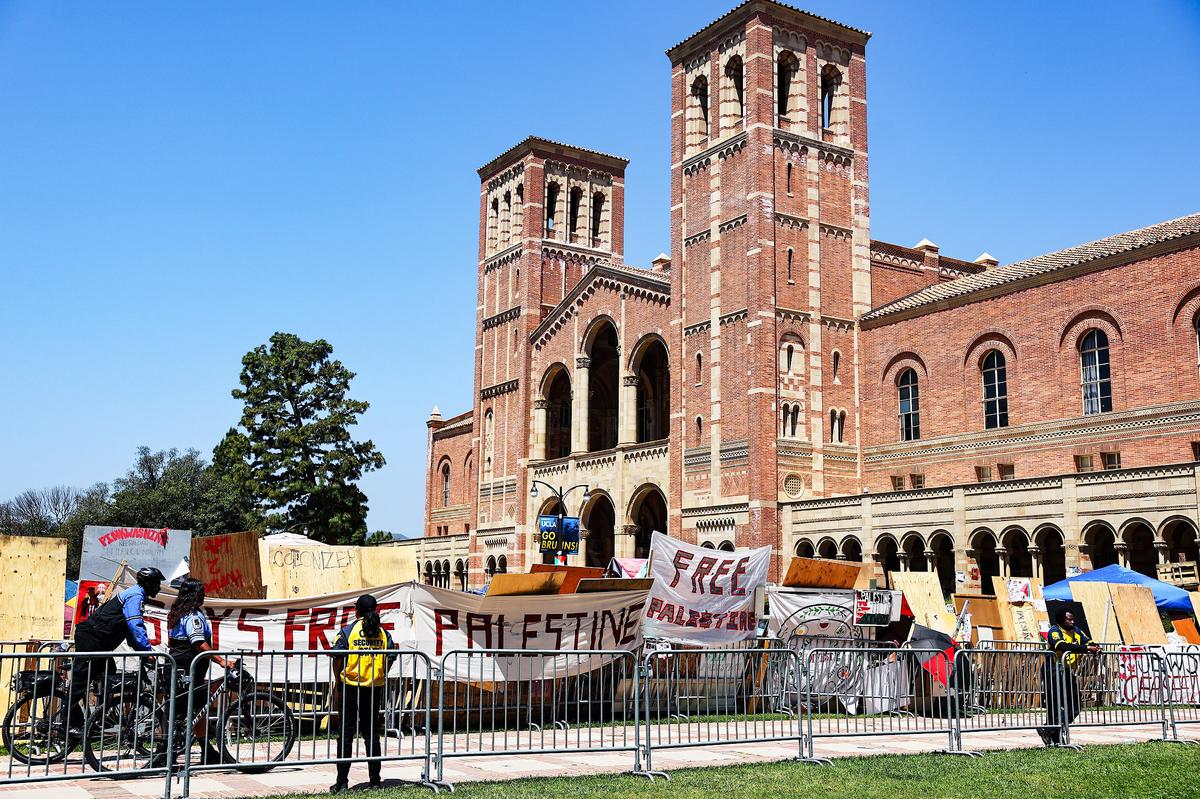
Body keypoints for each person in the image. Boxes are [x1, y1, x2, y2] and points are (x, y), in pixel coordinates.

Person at [59, 567, 165, 734]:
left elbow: (129, 631)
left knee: (109, 676)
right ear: (149, 583)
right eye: (157, 584)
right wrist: (146, 650)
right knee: (80, 682)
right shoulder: (135, 595)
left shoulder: (137, 595)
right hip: (91, 639)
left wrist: (143, 652)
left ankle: (99, 718)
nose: (159, 588)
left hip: (99, 642)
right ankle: (69, 725)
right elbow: (135, 625)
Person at [329, 594, 395, 794]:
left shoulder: (349, 632)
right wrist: (379, 674)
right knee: (371, 734)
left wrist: (338, 680)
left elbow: (337, 658)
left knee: (346, 734)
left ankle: (342, 783)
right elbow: (391, 657)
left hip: (350, 686)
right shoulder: (383, 634)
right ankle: (375, 781)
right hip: (374, 688)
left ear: (356, 610)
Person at [166, 577, 233, 754]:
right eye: (201, 593)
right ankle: (167, 750)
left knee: (198, 708)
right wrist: (221, 661)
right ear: (195, 595)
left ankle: (206, 749)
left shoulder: (177, 612)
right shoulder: (193, 616)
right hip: (189, 667)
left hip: (180, 664)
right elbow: (197, 642)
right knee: (187, 710)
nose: (204, 596)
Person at [1037, 610, 1100, 745]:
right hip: (1052, 668)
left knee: (1075, 704)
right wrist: (1088, 649)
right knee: (1055, 704)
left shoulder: (1076, 630)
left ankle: (1049, 730)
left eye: (1073, 619)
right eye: (1069, 620)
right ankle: (1055, 735)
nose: (1072, 622)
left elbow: (1088, 641)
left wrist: (1095, 646)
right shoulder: (1054, 631)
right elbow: (1062, 646)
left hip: (1065, 670)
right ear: (1060, 621)